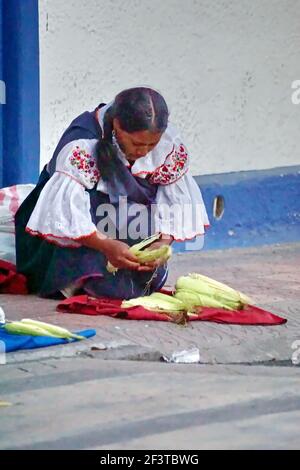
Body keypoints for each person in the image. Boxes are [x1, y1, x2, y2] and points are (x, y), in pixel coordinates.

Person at [15, 87, 209, 299]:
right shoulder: (84, 142)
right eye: (136, 143)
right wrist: (105, 245)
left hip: (124, 222)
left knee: (134, 221)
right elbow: (65, 211)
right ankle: (78, 277)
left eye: (152, 144)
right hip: (78, 226)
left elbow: (173, 201)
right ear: (117, 125)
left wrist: (163, 243)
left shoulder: (168, 146)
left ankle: (127, 275)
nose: (143, 152)